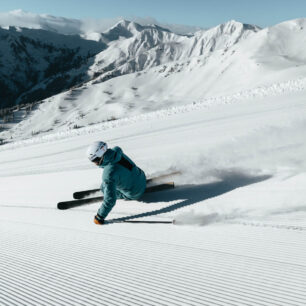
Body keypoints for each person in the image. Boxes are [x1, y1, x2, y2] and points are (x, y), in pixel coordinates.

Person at [86, 141, 146, 224]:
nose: (95, 163)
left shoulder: (108, 174)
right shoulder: (116, 151)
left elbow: (110, 200)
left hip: (134, 193)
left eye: (95, 160)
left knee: (104, 188)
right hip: (142, 177)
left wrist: (100, 216)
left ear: (100, 156)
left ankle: (107, 189)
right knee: (112, 179)